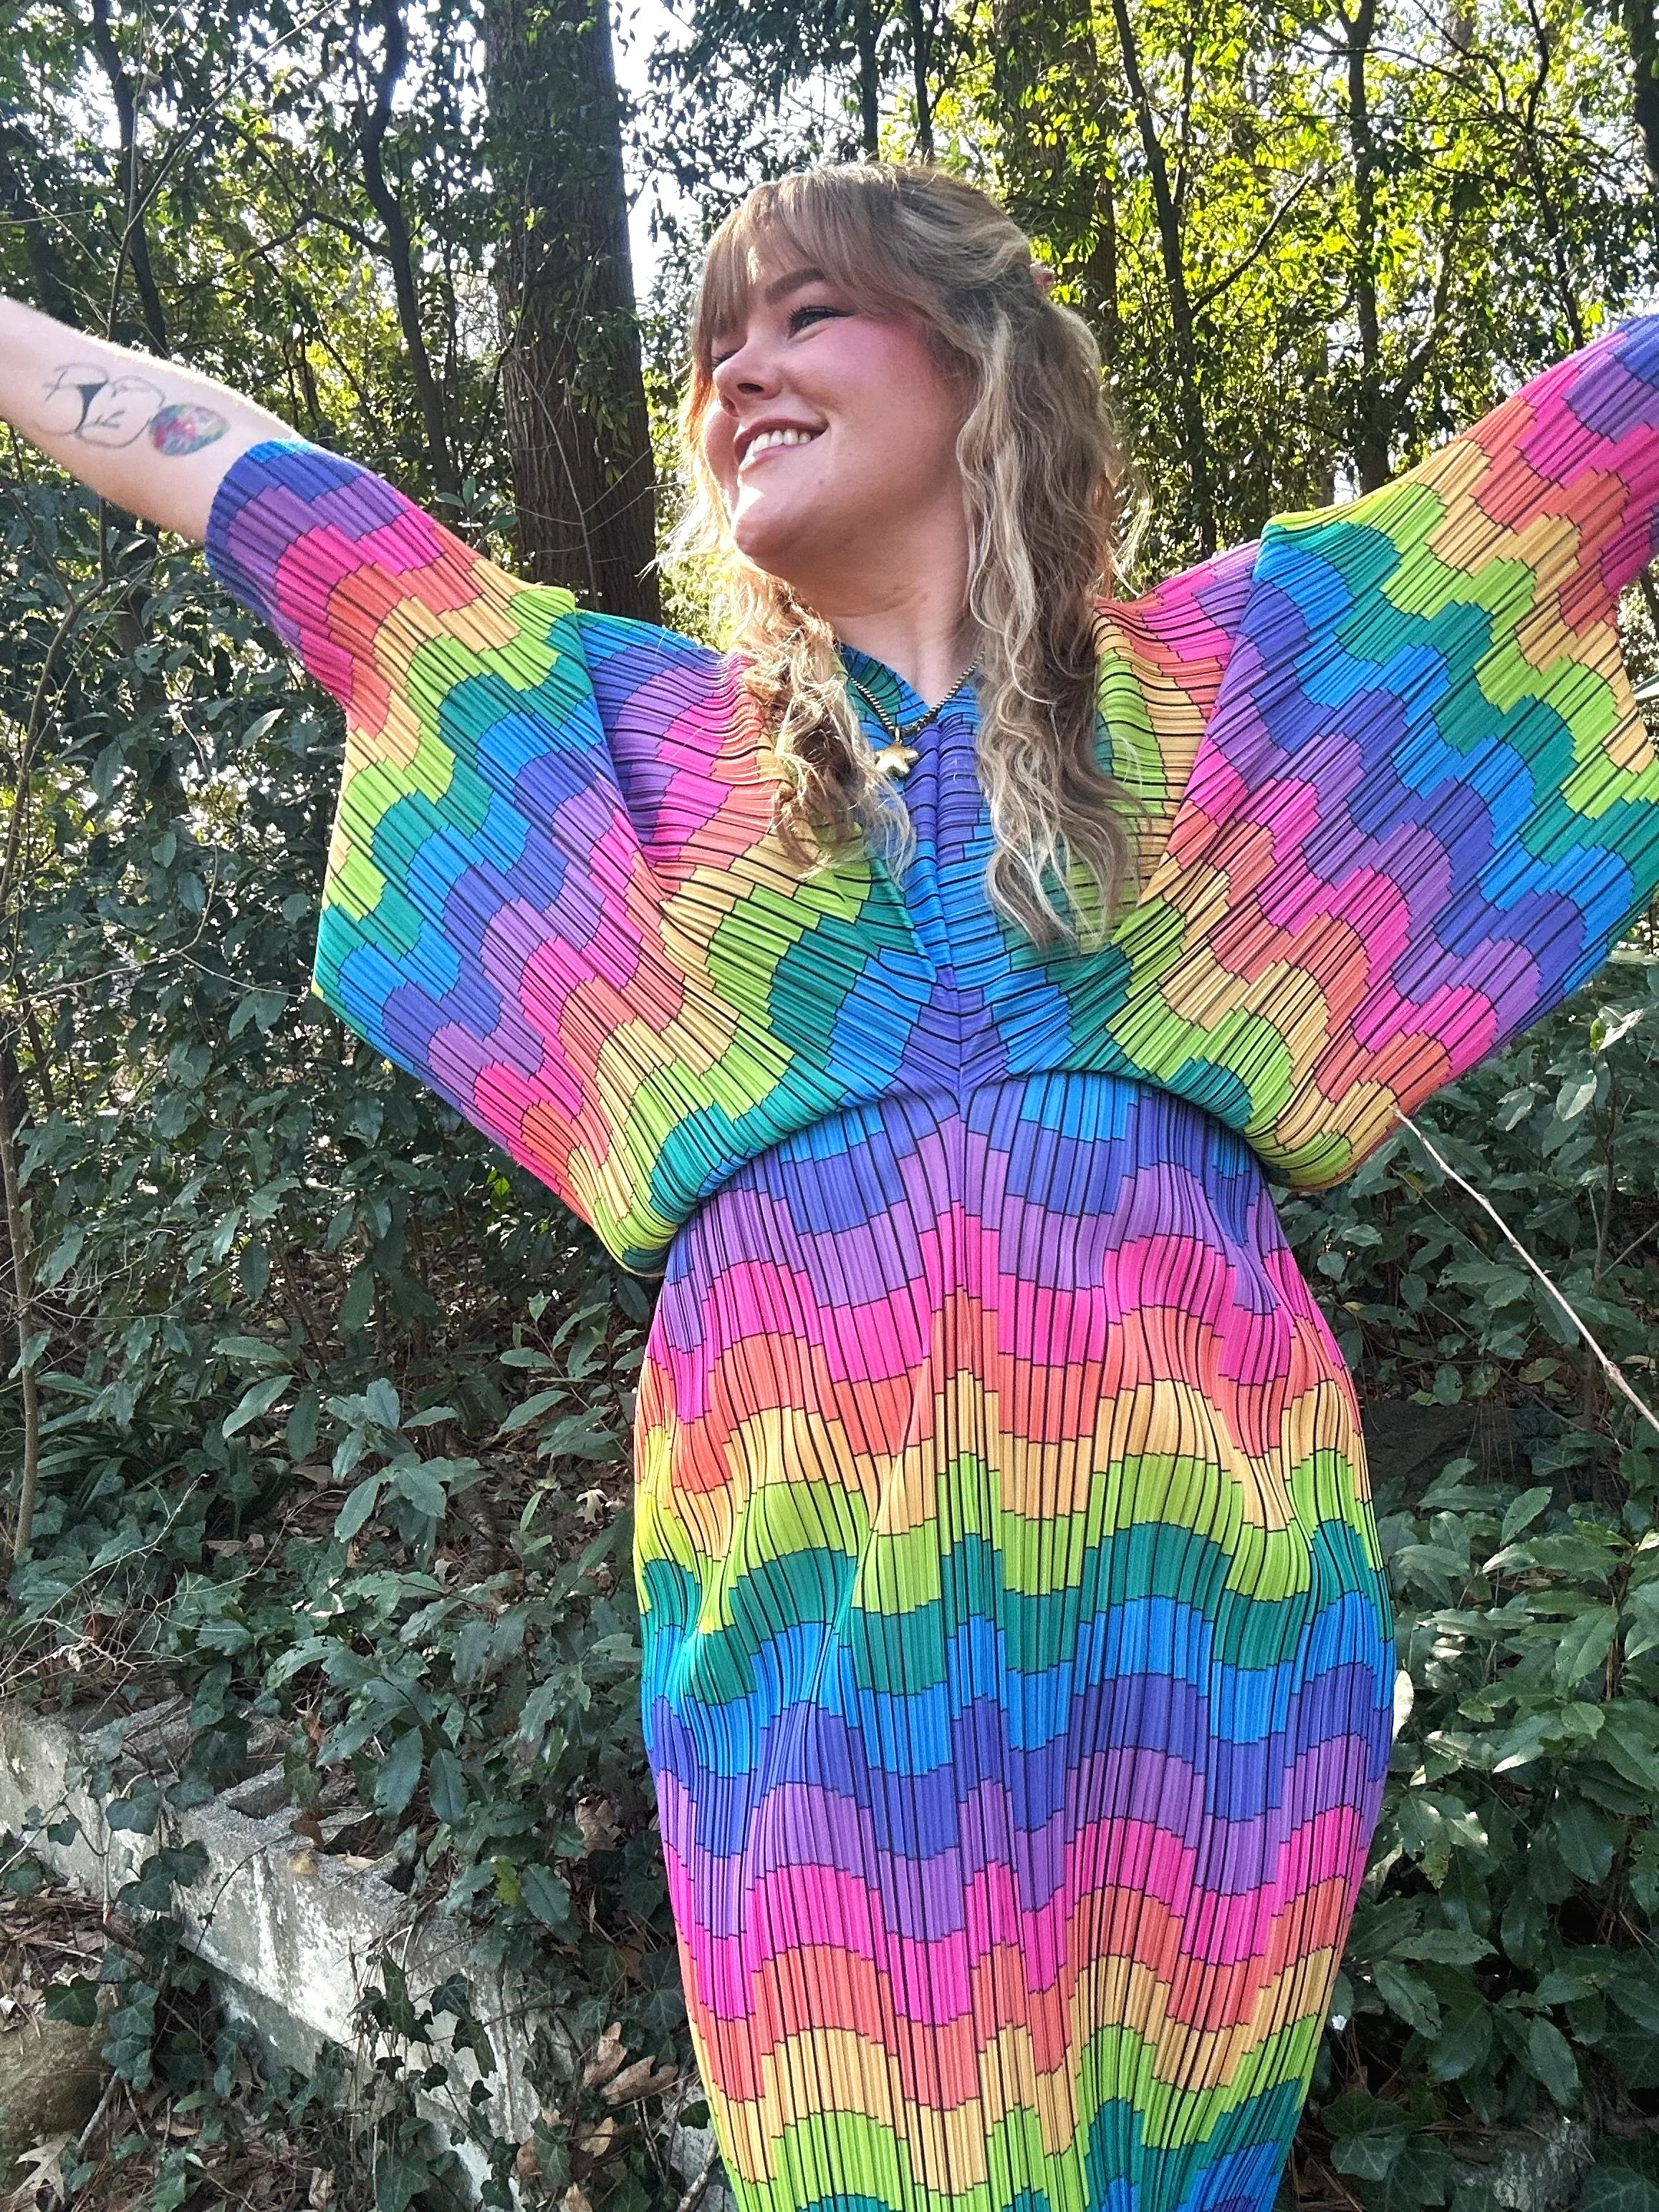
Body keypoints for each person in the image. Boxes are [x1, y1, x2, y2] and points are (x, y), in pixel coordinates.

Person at [4, 160, 1659, 2212]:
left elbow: (1580, 457)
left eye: (806, 315)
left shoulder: (1219, 707)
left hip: (1202, 1656)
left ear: (980, 371)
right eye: (712, 346)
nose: (737, 373)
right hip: (808, 1693)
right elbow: (261, 483)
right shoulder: (634, 755)